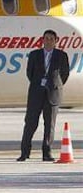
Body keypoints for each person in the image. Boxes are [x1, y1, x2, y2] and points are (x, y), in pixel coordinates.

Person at [17, 29, 69, 162]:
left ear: (56, 41)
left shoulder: (61, 55)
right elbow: (30, 73)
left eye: (51, 39)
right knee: (30, 122)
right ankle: (24, 152)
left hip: (52, 93)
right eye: (46, 38)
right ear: (42, 40)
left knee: (49, 124)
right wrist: (38, 84)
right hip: (36, 93)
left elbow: (64, 74)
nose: (48, 41)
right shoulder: (35, 55)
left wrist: (55, 84)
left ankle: (47, 153)